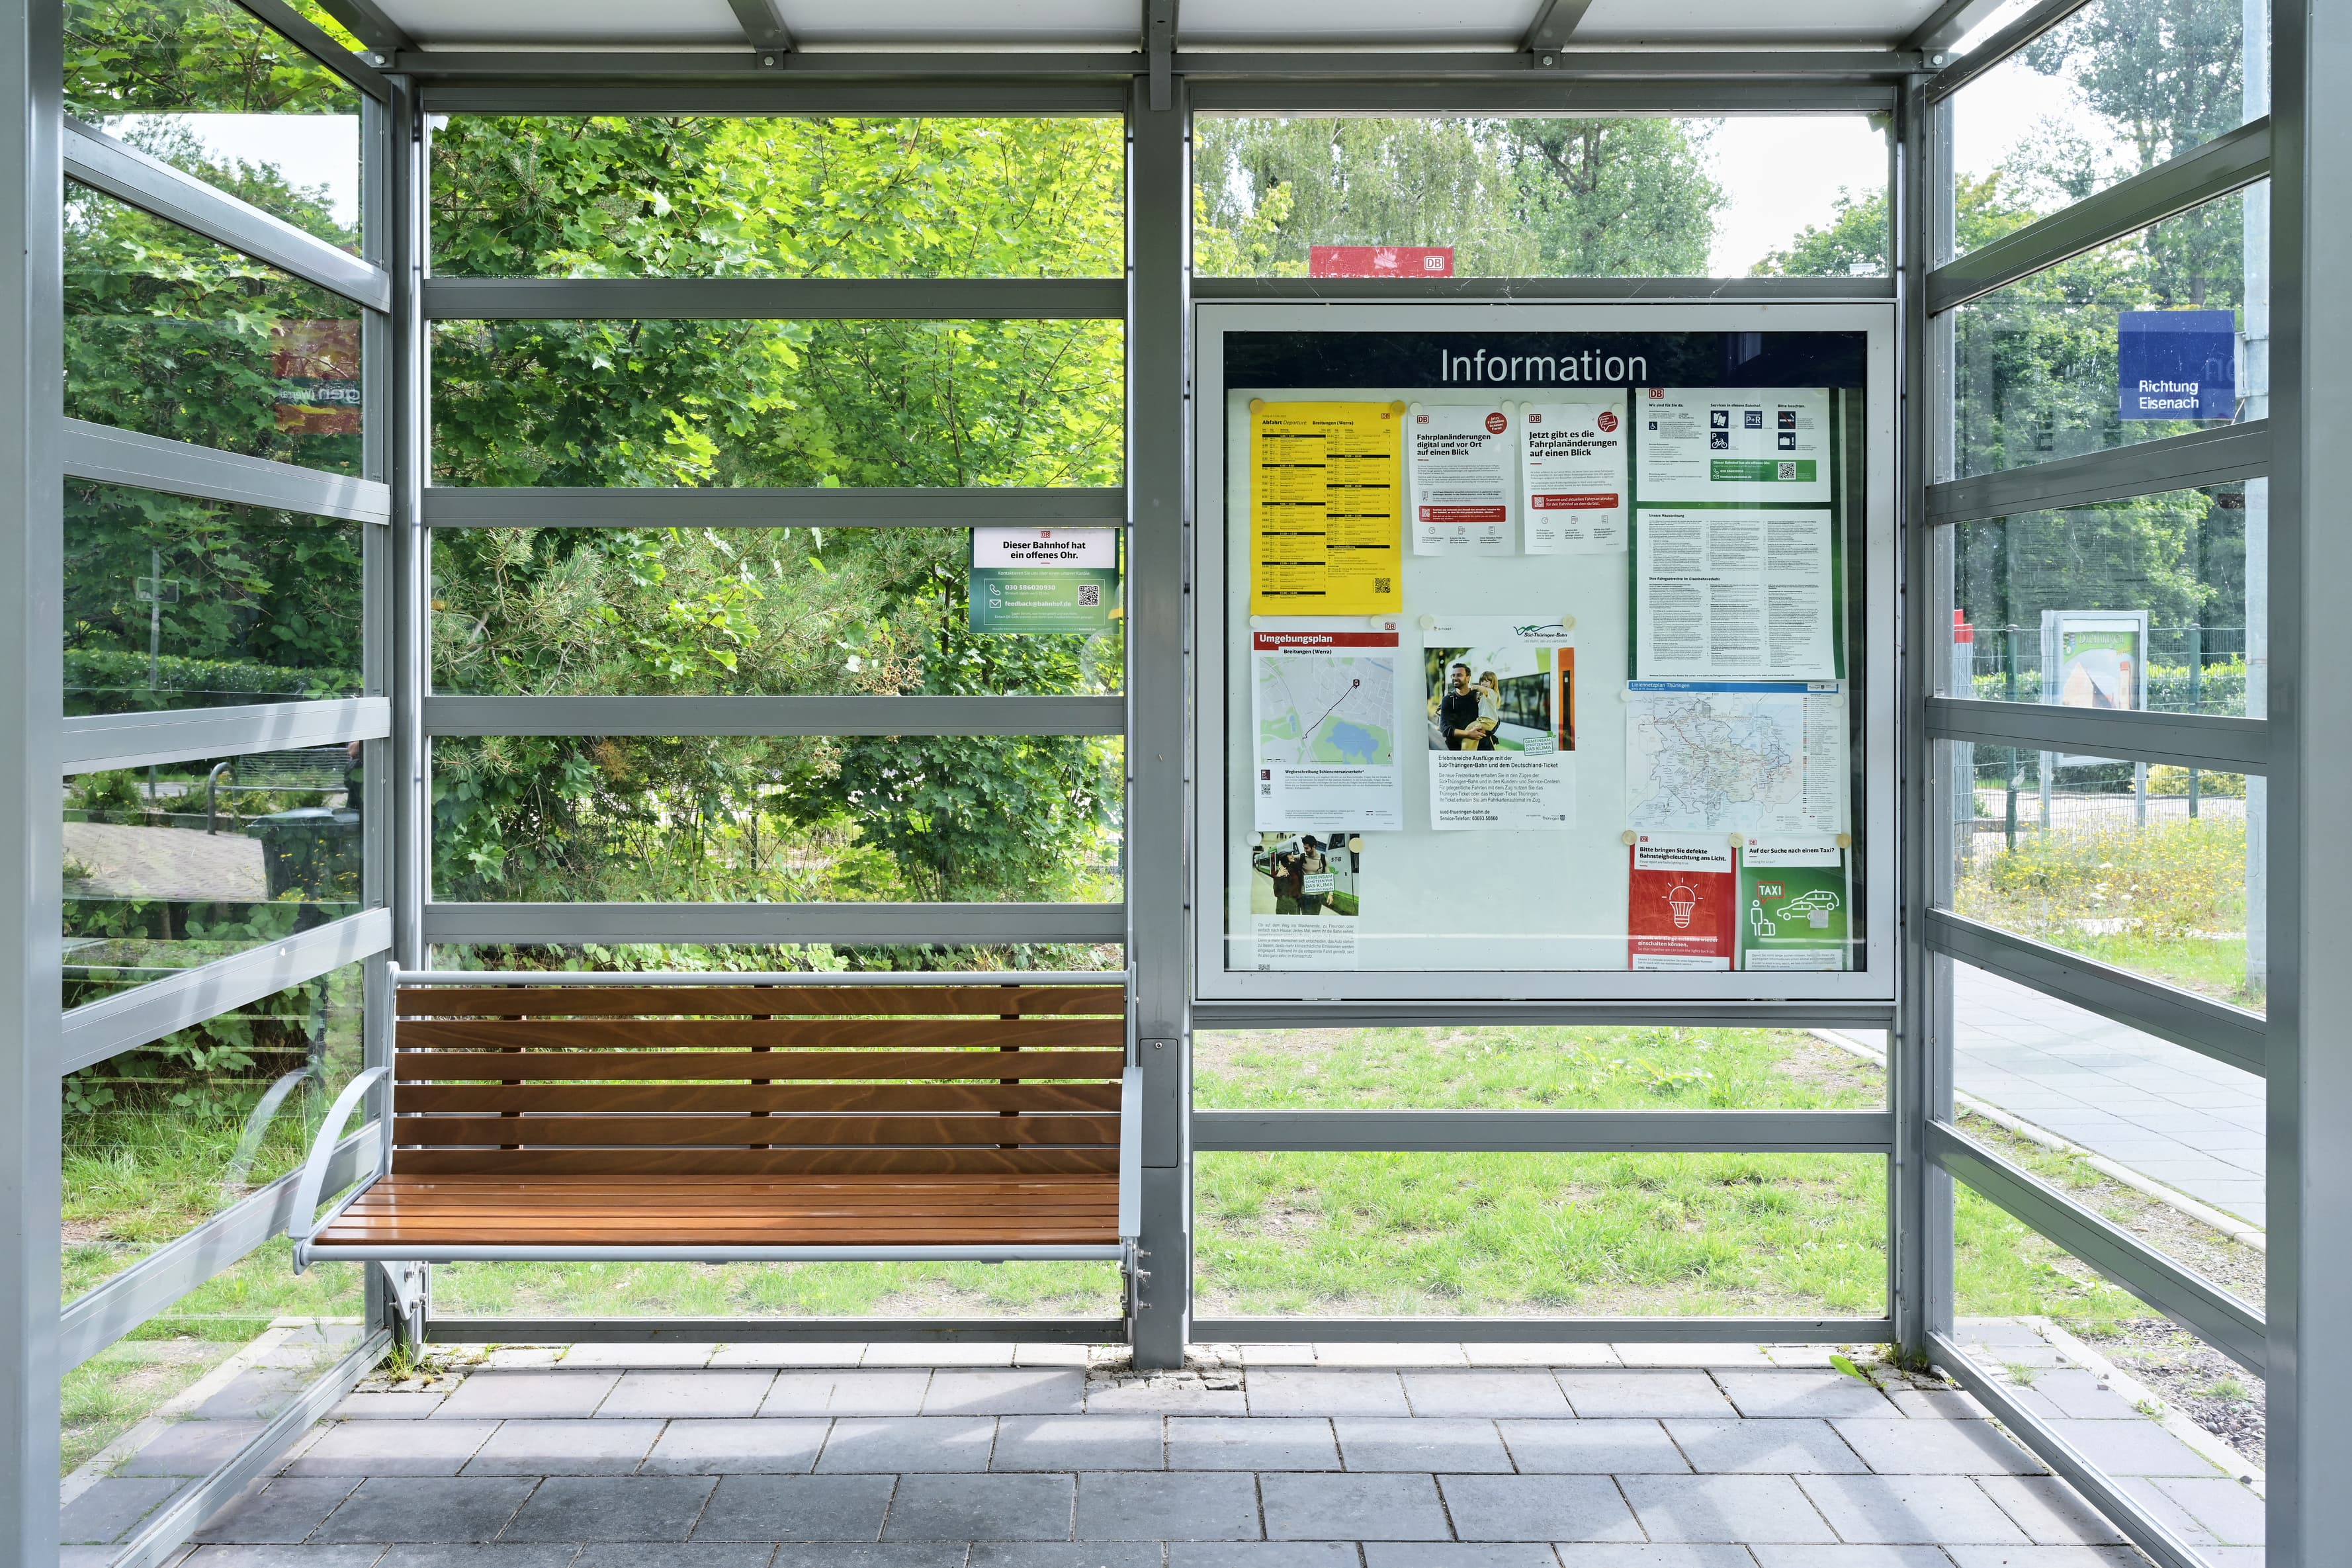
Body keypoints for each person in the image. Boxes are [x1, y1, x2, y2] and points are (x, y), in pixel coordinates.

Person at [1438, 662, 1483, 750]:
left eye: (1459, 675)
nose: (1455, 678)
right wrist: (1468, 734)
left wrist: (1483, 732)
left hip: (1481, 749)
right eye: (1453, 675)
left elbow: (1495, 720)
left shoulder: (1479, 696)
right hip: (1458, 752)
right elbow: (1444, 728)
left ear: (1468, 678)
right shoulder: (1448, 700)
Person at [1458, 671, 1502, 750]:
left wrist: (1476, 686)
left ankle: (1465, 754)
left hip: (1485, 730)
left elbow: (1497, 721)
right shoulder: (1480, 696)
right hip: (1482, 724)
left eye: (1487, 681)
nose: (1484, 683)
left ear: (1493, 683)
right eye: (1482, 681)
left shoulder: (1490, 692)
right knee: (1470, 735)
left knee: (1468, 731)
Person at [1295, 835, 1328, 916]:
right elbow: (1285, 857)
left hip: (1319, 896)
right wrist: (1280, 872)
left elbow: (1328, 875)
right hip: (1305, 895)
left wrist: (1330, 894)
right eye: (1304, 848)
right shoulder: (1302, 857)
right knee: (1306, 919)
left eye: (1306, 848)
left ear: (1314, 847)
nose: (1304, 850)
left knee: (1315, 918)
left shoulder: (1323, 859)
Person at [1269, 838, 1304, 914]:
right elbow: (1276, 890)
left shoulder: (1295, 868)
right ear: (1285, 857)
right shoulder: (1280, 872)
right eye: (1290, 854)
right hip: (1283, 903)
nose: (1293, 856)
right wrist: (1278, 877)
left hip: (1294, 902)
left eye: (1292, 854)